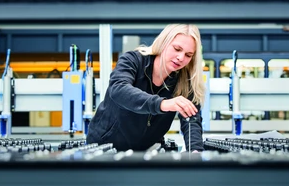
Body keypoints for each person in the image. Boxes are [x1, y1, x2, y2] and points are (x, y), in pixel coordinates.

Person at [86, 24, 206, 152]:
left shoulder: (184, 80)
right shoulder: (133, 60)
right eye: (177, 49)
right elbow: (118, 89)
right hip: (106, 148)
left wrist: (195, 150)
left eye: (188, 55)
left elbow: (191, 120)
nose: (181, 58)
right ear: (163, 42)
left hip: (146, 152)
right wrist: (162, 104)